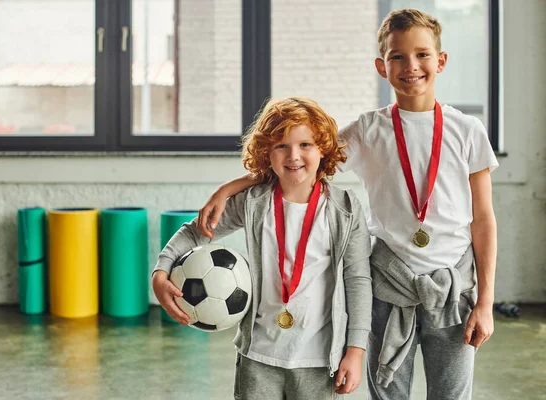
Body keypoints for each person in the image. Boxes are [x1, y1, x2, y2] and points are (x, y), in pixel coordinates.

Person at [196, 9, 498, 400]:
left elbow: (484, 221)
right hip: (389, 290)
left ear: (440, 61)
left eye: (422, 54)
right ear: (381, 66)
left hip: (453, 293)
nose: (411, 66)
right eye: (397, 56)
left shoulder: (467, 131)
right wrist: (231, 187)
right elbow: (301, 163)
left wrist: (486, 302)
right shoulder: (370, 129)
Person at [152, 97, 372, 399]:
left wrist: (356, 351)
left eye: (305, 144)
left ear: (323, 148)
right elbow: (195, 232)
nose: (294, 155)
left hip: (319, 361)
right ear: (267, 153)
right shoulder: (254, 202)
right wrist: (161, 271)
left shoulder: (345, 210)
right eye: (281, 145)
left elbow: (358, 280)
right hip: (259, 356)